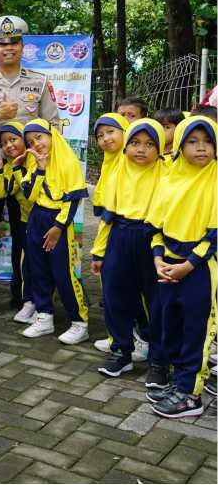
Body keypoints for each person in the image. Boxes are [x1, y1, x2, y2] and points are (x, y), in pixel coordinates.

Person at [0, 16, 59, 313]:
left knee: (25, 231)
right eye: (2, 43)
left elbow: (53, 124)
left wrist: (39, 155)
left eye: (14, 42)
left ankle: (24, 294)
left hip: (27, 165)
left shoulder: (40, 82)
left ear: (22, 47)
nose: (8, 48)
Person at [146, 116, 217, 418]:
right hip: (168, 265)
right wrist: (158, 259)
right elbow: (156, 227)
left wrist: (188, 265)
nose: (201, 148)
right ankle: (179, 383)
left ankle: (191, 394)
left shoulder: (215, 180)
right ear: (179, 145)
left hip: (199, 268)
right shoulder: (170, 178)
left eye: (208, 141)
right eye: (192, 141)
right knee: (170, 324)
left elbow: (214, 235)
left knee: (196, 331)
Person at [92, 119, 166, 378]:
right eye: (135, 142)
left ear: (160, 147)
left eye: (149, 144)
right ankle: (122, 351)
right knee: (115, 296)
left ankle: (159, 360)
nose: (141, 149)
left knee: (157, 301)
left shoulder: (167, 174)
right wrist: (99, 251)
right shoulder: (118, 171)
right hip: (120, 236)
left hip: (153, 239)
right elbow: (108, 216)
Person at [20, 119, 89, 344]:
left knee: (63, 273)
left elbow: (73, 198)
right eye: (31, 142)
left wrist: (59, 227)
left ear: (51, 135)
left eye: (39, 137)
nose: (36, 144)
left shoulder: (68, 161)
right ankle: (44, 316)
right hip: (37, 217)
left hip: (58, 222)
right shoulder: (34, 162)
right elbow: (29, 195)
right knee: (38, 269)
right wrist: (40, 169)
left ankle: (79, 322)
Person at [0, 122, 36, 324]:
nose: (9, 145)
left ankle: (41, 303)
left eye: (13, 139)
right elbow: (2, 192)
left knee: (39, 262)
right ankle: (26, 300)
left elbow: (30, 190)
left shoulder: (35, 160)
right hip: (23, 222)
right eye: (4, 143)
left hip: (43, 220)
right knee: (23, 260)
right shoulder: (8, 166)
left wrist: (17, 167)